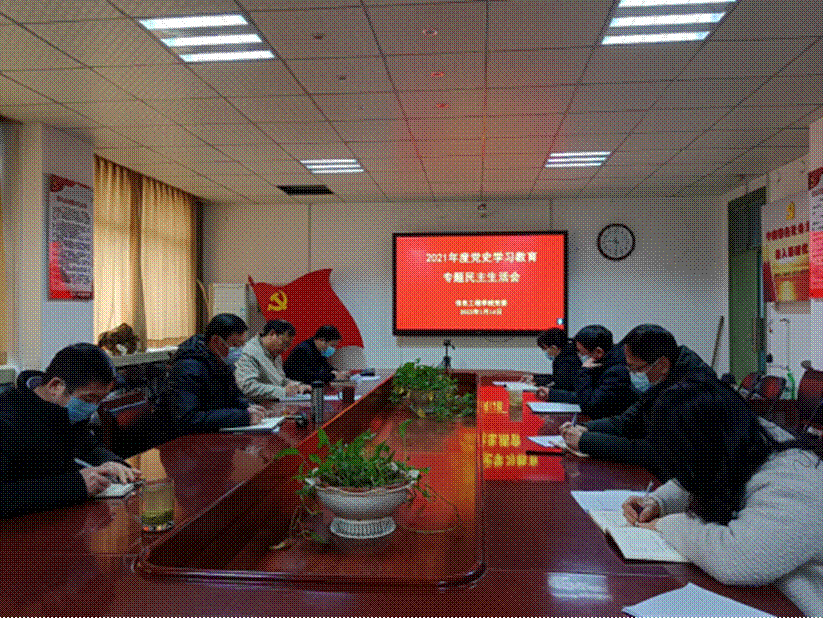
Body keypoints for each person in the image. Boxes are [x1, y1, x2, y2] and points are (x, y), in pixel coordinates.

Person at [621, 402, 823, 616]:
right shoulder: (742, 439)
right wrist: (658, 502)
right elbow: (705, 473)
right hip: (759, 595)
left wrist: (666, 524)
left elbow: (740, 560)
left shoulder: (799, 478)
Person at [1, 343, 141, 518]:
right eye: (89, 398)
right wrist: (75, 485)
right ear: (55, 386)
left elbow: (88, 447)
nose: (93, 407)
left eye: (100, 399)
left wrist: (112, 464)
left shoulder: (64, 410)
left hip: (69, 516)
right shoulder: (6, 419)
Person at [560, 324, 723, 467]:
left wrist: (586, 441)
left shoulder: (693, 390)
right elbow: (628, 421)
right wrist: (586, 428)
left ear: (662, 364)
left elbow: (656, 451)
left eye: (636, 369)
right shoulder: (666, 376)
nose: (631, 374)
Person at [156, 314, 269, 434]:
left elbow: (231, 397)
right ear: (216, 340)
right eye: (235, 345)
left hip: (211, 435)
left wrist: (248, 406)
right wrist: (243, 417)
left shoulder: (221, 363)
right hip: (180, 440)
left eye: (242, 345)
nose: (239, 351)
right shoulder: (188, 368)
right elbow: (188, 419)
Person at [543, 325, 636, 419]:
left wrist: (584, 372)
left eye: (582, 353)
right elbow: (582, 396)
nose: (579, 356)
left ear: (598, 352)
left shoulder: (616, 372)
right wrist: (552, 394)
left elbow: (589, 405)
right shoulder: (602, 364)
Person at [235, 319, 311, 402]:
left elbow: (280, 380)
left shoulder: (274, 352)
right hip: (255, 405)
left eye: (288, 346)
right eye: (284, 343)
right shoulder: (249, 352)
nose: (285, 349)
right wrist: (283, 391)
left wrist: (298, 386)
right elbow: (248, 387)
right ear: (272, 334)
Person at [283, 325, 351, 385]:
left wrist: (338, 372)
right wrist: (333, 376)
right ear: (322, 340)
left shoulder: (317, 349)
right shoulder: (303, 350)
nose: (333, 349)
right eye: (332, 346)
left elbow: (325, 366)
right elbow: (308, 376)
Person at [523, 327, 582, 396]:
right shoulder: (565, 355)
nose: (545, 352)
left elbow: (559, 384)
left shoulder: (568, 360)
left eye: (545, 349)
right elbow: (556, 377)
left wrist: (536, 383)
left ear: (553, 347)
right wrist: (534, 377)